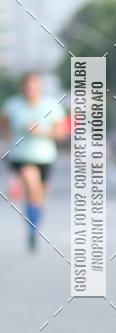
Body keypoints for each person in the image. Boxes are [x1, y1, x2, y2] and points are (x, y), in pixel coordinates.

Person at [0, 72, 67, 251]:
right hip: (21, 156)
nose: (30, 90)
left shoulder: (51, 105)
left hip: (45, 157)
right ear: (22, 87)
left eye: (34, 86)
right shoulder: (12, 105)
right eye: (27, 86)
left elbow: (61, 133)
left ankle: (33, 228)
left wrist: (42, 131)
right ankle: (31, 230)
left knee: (38, 197)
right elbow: (3, 126)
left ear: (40, 87)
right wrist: (8, 136)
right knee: (32, 186)